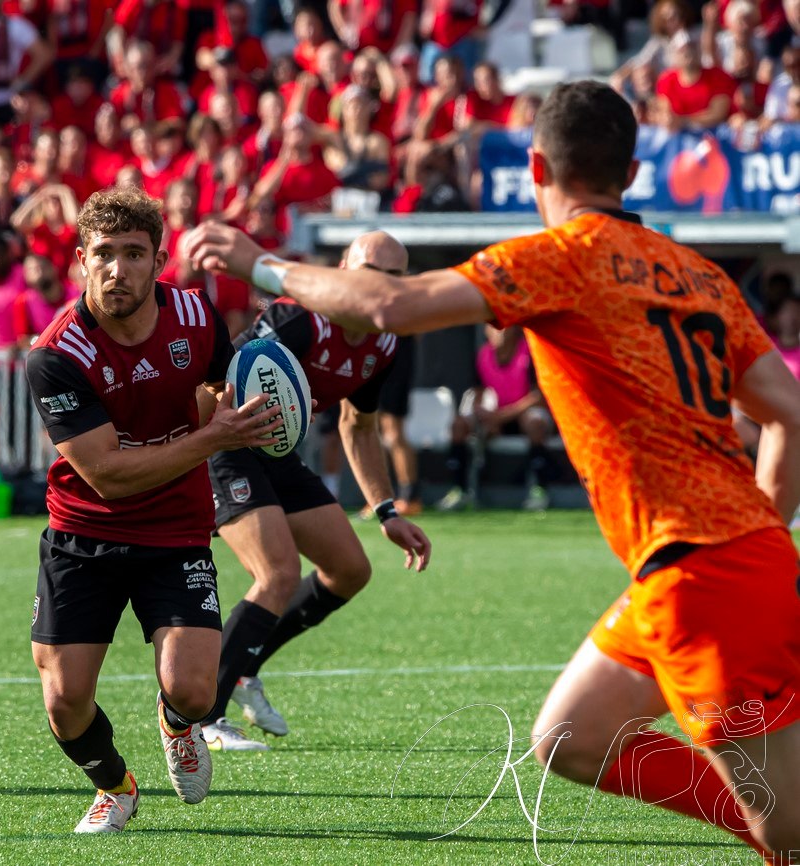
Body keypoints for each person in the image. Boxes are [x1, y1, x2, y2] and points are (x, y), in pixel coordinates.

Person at [181, 80, 800, 860]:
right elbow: (789, 414)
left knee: (788, 827)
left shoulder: (556, 260)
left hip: (703, 573)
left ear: (535, 167)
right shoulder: (698, 274)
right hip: (704, 564)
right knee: (570, 736)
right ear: (633, 173)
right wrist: (761, 540)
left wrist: (258, 263)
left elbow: (389, 305)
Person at [24, 187, 283, 833]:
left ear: (159, 261)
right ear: (81, 260)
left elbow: (222, 389)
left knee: (194, 691)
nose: (118, 269)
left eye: (134, 254)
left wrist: (246, 414)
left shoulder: (195, 315)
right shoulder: (57, 354)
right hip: (84, 532)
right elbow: (107, 475)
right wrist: (212, 438)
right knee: (65, 703)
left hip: (175, 529)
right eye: (103, 254)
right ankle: (116, 786)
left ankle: (176, 724)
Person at [198, 231, 432, 751]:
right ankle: (203, 718)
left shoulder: (385, 342)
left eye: (395, 277)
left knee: (349, 570)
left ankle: (244, 668)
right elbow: (220, 383)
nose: (381, 285)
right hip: (227, 445)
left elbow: (358, 426)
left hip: (277, 452)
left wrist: (387, 510)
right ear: (343, 270)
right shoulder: (297, 318)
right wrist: (183, 454)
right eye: (371, 271)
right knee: (277, 573)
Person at [436, 323, 555, 512]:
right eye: (493, 326)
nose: (499, 331)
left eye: (503, 326)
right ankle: (460, 490)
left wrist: (502, 416)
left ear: (515, 330)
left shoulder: (530, 352)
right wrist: (483, 415)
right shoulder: (483, 355)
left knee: (535, 424)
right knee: (458, 425)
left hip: (523, 413)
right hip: (496, 416)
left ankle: (539, 490)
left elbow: (538, 397)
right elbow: (477, 393)